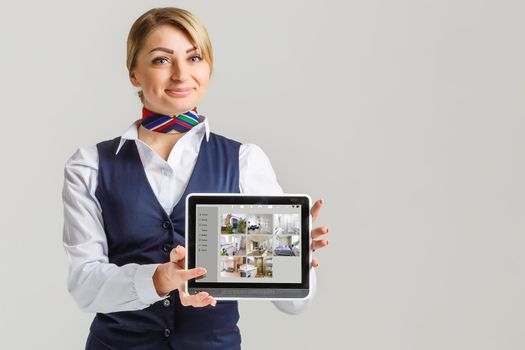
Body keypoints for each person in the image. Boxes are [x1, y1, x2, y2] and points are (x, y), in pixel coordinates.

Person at [62, 7, 329, 350]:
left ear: (208, 67)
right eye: (161, 60)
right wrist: (159, 279)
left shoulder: (244, 161)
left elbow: (295, 304)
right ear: (134, 74)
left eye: (194, 58)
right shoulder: (89, 166)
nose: (180, 74)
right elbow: (84, 286)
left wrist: (294, 261)